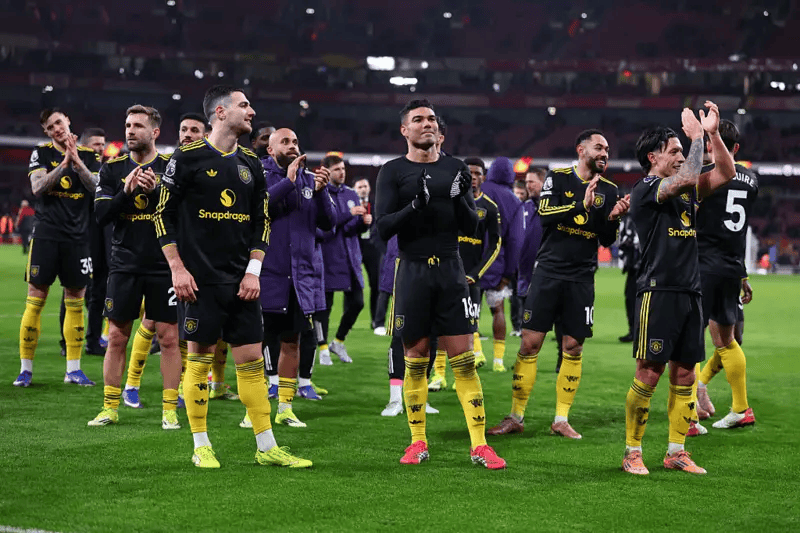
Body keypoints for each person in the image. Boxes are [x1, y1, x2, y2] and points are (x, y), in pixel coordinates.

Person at [154, 85, 311, 469]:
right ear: (220, 112)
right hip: (199, 282)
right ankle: (201, 445)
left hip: (243, 283)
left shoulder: (250, 163)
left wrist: (253, 271)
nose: (251, 111)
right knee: (200, 361)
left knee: (252, 361)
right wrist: (177, 268)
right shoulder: (186, 157)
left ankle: (266, 447)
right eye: (244, 105)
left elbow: (262, 222)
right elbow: (162, 215)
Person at [375, 98, 505, 469]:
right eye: (418, 119)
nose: (427, 123)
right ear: (405, 130)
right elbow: (382, 228)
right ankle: (417, 442)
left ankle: (479, 445)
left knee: (464, 361)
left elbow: (471, 225)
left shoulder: (455, 168)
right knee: (416, 360)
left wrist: (459, 198)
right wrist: (414, 207)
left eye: (431, 118)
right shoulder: (392, 171)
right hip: (412, 271)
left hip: (450, 271)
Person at [487, 129, 629, 440]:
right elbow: (546, 214)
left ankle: (561, 419)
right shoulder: (559, 178)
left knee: (573, 347)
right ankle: (516, 416)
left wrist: (614, 218)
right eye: (599, 147)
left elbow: (607, 240)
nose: (605, 153)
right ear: (581, 149)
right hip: (549, 272)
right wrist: (581, 205)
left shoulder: (610, 189)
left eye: (607, 148)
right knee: (529, 344)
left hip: (582, 277)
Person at [621, 101, 735, 476]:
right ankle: (632, 451)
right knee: (649, 372)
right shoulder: (645, 189)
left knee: (686, 375)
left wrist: (713, 135)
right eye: (674, 151)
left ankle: (676, 451)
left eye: (683, 151)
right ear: (652, 157)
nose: (682, 157)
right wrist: (697, 137)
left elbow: (726, 172)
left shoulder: (686, 190)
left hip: (691, 291)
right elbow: (687, 176)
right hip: (658, 291)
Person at [87, 105, 182, 430]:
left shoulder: (170, 168)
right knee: (116, 336)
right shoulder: (112, 170)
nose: (130, 131)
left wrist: (158, 192)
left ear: (154, 132)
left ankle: (169, 410)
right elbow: (101, 216)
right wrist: (126, 190)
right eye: (128, 125)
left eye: (138, 126)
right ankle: (109, 407)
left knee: (169, 338)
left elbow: (183, 213)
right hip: (124, 264)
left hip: (163, 265)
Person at [122, 113, 213, 408]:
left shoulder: (214, 166)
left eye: (194, 130)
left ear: (206, 135)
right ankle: (131, 385)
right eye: (183, 129)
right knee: (153, 320)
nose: (187, 134)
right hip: (167, 255)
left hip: (199, 255)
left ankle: (186, 386)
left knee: (189, 324)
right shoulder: (169, 165)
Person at [14, 108, 102, 388]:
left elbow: (96, 188)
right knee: (36, 299)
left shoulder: (89, 155)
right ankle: (25, 370)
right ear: (47, 132)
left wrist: (76, 161)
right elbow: (38, 187)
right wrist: (64, 164)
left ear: (68, 122)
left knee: (76, 300)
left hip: (78, 239)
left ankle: (73, 370)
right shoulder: (41, 153)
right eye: (51, 126)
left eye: (59, 122)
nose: (57, 129)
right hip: (46, 236)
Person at [258, 128, 336, 428]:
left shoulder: (309, 180)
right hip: (267, 274)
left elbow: (328, 223)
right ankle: (255, 408)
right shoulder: (260, 176)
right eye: (285, 142)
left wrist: (322, 191)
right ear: (270, 150)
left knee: (292, 340)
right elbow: (259, 210)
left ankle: (285, 407)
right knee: (259, 342)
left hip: (300, 277)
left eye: (295, 141)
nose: (293, 146)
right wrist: (287, 182)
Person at [694, 119, 758, 431]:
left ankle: (688, 411)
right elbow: (738, 230)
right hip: (732, 266)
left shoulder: (707, 176)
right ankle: (740, 408)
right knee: (728, 341)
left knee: (691, 337)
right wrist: (743, 273)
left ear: (713, 145)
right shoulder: (752, 179)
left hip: (704, 263)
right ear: (737, 148)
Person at [428, 156, 500, 390]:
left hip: (470, 278)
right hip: (446, 272)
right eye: (469, 173)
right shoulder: (449, 201)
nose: (474, 177)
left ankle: (464, 376)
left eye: (478, 173)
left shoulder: (489, 207)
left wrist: (476, 274)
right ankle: (439, 375)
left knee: (468, 327)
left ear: (484, 177)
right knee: (440, 326)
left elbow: (495, 245)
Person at [58, 127, 109, 357]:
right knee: (73, 288)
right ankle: (66, 342)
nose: (100, 148)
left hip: (100, 237)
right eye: (96, 144)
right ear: (84, 146)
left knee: (99, 290)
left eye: (102, 144)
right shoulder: (70, 170)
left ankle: (93, 340)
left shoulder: (105, 170)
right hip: (78, 236)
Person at [315, 154, 368, 364]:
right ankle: (322, 348)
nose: (342, 173)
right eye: (337, 169)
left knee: (358, 302)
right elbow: (325, 226)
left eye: (343, 169)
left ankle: (338, 341)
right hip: (328, 256)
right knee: (324, 307)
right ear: (327, 172)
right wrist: (349, 214)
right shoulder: (321, 194)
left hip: (350, 257)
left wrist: (363, 223)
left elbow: (349, 229)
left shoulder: (351, 194)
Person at [479, 157, 524, 372]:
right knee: (498, 310)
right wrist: (508, 273)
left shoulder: (477, 191)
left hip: (470, 261)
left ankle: (475, 353)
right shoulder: (513, 201)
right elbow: (515, 241)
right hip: (496, 264)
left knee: (469, 310)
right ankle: (498, 361)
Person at [354, 177, 385, 334]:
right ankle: (349, 319)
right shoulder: (350, 204)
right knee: (352, 285)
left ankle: (375, 320)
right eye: (360, 187)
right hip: (355, 247)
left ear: (369, 188)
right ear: (354, 189)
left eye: (365, 186)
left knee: (376, 285)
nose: (363, 189)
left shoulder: (376, 205)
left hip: (373, 249)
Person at [515, 167, 545, 331]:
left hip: (546, 267)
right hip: (524, 270)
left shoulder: (554, 207)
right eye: (527, 182)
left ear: (543, 182)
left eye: (532, 182)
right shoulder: (523, 207)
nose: (528, 186)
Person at [617, 214, 639, 343]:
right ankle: (634, 331)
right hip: (634, 267)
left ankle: (637, 332)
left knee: (635, 299)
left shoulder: (635, 217)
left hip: (643, 267)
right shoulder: (629, 218)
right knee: (631, 298)